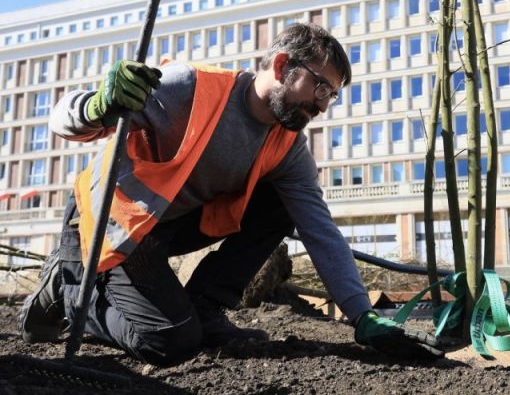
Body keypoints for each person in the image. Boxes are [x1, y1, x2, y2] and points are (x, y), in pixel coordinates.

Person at [19, 23, 443, 366]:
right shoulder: (189, 88)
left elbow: (320, 229)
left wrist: (361, 314)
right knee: (170, 344)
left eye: (331, 94)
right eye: (319, 88)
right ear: (281, 66)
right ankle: (75, 293)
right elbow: (62, 121)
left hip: (164, 228)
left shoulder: (287, 145)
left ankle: (203, 306)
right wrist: (99, 104)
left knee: (282, 203)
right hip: (109, 221)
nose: (323, 106)